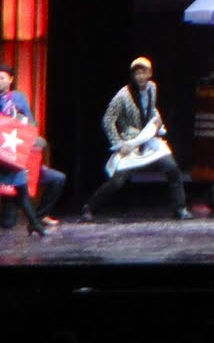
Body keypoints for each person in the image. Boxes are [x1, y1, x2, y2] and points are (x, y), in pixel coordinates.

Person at [82, 57, 193, 222]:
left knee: (172, 168)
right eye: (137, 73)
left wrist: (157, 119)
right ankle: (90, 207)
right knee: (118, 181)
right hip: (131, 141)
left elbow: (150, 108)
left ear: (150, 73)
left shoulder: (152, 88)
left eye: (143, 72)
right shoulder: (123, 95)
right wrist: (118, 144)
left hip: (148, 137)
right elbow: (108, 120)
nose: (140, 76)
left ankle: (180, 208)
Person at [0, 62, 62, 236]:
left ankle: (35, 223)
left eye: (2, 78)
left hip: (15, 152)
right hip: (1, 154)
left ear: (11, 80)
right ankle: (35, 224)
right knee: (8, 221)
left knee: (21, 189)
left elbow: (30, 123)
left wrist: (24, 131)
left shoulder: (18, 98)